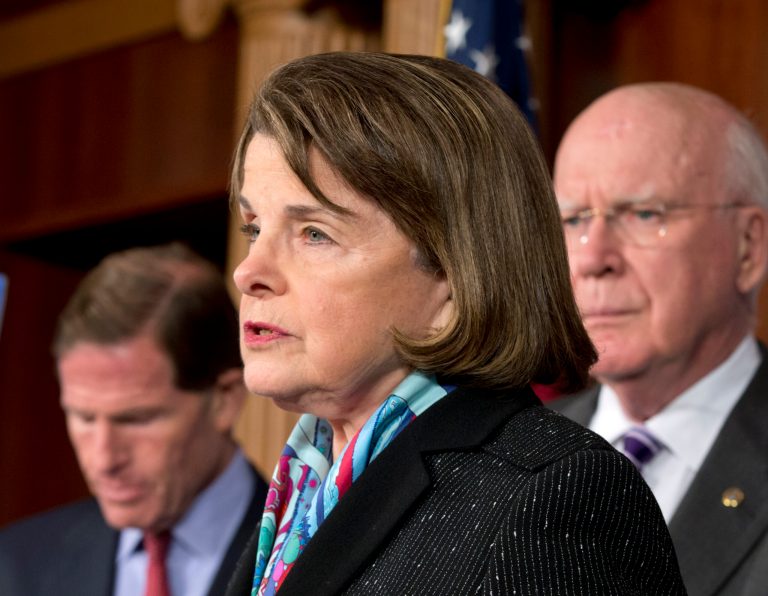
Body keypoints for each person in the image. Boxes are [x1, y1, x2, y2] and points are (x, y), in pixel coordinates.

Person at [223, 52, 686, 596]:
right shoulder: (299, 492)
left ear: (453, 266)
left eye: (315, 234)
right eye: (254, 229)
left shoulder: (547, 497)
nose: (248, 272)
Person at [551, 82, 768, 595]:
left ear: (748, 248)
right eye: (574, 219)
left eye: (645, 214)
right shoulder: (501, 458)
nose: (592, 257)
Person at [0, 242, 269, 596]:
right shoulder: (16, 562)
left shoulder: (314, 555)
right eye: (82, 417)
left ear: (225, 399)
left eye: (135, 420)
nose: (103, 460)